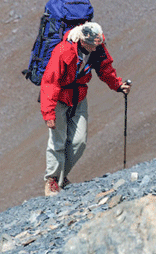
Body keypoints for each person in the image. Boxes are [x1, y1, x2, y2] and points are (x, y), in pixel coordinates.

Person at [39, 22, 131, 196]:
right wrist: (49, 112)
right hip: (59, 98)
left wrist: (118, 85)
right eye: (92, 45)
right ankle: (52, 180)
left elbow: (105, 68)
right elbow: (50, 82)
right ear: (82, 41)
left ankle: (61, 177)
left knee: (78, 141)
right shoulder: (63, 51)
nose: (96, 48)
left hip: (79, 96)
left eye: (98, 44)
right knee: (58, 141)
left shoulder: (97, 47)